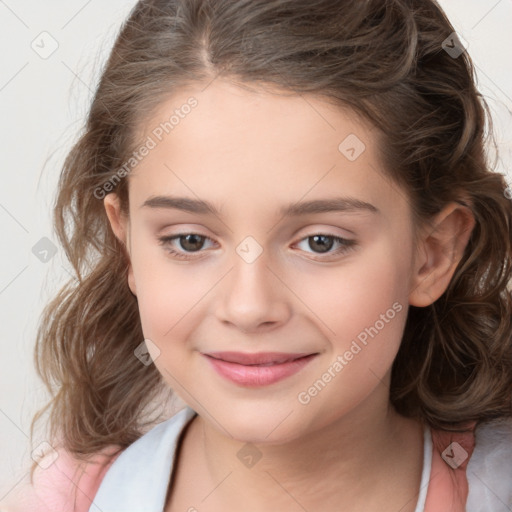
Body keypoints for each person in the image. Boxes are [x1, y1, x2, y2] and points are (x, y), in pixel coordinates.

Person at [1, 0, 512, 510]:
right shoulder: (65, 497)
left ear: (432, 254)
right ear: (127, 243)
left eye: (320, 242)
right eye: (190, 241)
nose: (248, 307)